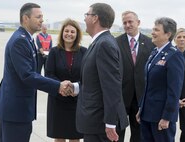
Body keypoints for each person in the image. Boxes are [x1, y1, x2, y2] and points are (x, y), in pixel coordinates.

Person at [0, 3, 73, 142]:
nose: (42, 20)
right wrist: (58, 86)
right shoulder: (19, 41)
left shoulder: (27, 39)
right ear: (25, 18)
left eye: (42, 17)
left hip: (17, 109)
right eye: (38, 17)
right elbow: (27, 75)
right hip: (16, 111)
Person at [74, 3, 128, 142]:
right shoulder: (99, 42)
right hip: (96, 123)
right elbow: (95, 81)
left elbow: (112, 86)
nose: (85, 19)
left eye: (87, 15)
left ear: (95, 18)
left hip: (102, 125)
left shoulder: (104, 44)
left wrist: (110, 123)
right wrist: (75, 87)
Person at [136, 17, 185, 142]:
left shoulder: (174, 55)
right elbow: (149, 85)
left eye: (156, 30)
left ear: (168, 34)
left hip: (161, 118)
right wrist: (142, 108)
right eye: (153, 29)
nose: (152, 32)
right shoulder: (154, 53)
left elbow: (174, 90)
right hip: (147, 114)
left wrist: (167, 117)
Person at [45, 18, 87, 142]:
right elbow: (49, 74)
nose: (69, 34)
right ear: (62, 33)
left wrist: (74, 87)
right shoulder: (54, 52)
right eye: (66, 31)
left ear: (77, 34)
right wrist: (61, 87)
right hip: (58, 100)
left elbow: (87, 76)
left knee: (75, 136)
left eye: (72, 32)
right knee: (59, 136)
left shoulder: (84, 52)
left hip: (76, 101)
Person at [115, 11, 154, 142]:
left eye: (130, 21)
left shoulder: (150, 43)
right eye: (125, 22)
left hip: (141, 98)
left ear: (138, 22)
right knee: (117, 133)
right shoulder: (115, 43)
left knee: (138, 135)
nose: (127, 25)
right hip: (120, 96)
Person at [174, 28, 185, 142]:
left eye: (184, 37)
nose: (182, 39)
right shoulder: (168, 55)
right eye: (179, 37)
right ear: (174, 39)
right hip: (170, 98)